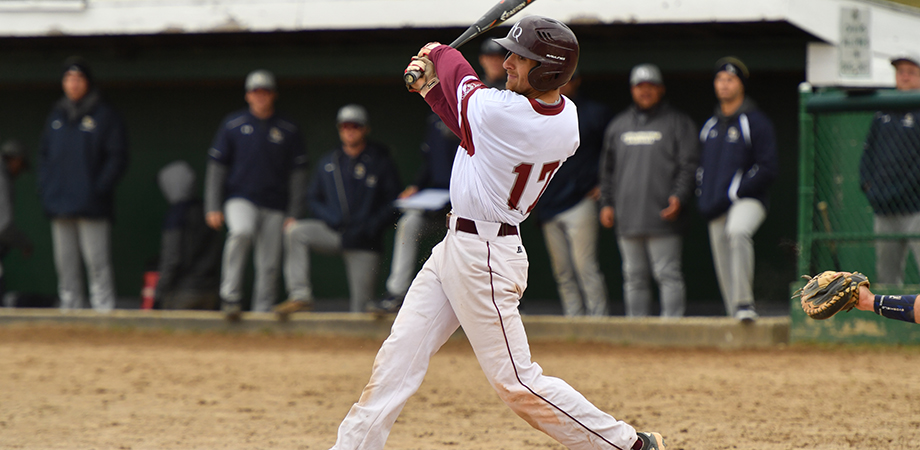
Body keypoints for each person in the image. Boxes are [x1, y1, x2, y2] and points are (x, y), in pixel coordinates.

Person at [327, 16, 666, 450]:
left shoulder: (504, 111)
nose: (507, 63)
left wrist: (438, 52)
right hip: (459, 247)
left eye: (519, 58)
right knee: (397, 358)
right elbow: (471, 129)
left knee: (517, 383)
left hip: (484, 256)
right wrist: (431, 90)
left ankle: (627, 445)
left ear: (547, 70)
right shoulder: (564, 117)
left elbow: (464, 85)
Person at [275, 104, 401, 316]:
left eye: (355, 126)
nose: (350, 131)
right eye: (345, 126)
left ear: (365, 129)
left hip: (364, 240)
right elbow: (313, 198)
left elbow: (394, 203)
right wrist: (331, 218)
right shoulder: (329, 161)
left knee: (362, 310)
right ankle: (300, 295)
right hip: (333, 232)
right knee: (295, 231)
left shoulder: (380, 161)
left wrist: (370, 227)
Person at [204, 69, 308, 320]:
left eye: (265, 92)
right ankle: (230, 296)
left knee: (269, 262)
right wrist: (212, 206)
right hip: (240, 197)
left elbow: (298, 173)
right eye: (255, 92)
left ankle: (262, 313)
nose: (260, 96)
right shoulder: (233, 124)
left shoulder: (288, 128)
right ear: (248, 95)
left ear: (273, 95)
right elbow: (217, 167)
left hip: (275, 202)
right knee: (241, 232)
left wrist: (294, 211)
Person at [599, 64, 699, 318]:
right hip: (627, 218)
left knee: (667, 274)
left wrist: (679, 197)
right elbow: (607, 170)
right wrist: (606, 204)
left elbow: (689, 166)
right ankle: (636, 333)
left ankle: (671, 331)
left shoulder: (678, 123)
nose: (645, 91)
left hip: (664, 216)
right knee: (633, 277)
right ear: (632, 90)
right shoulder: (618, 125)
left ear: (661, 89)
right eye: (639, 86)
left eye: (650, 86)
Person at [38, 56, 128, 312]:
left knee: (96, 262)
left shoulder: (105, 115)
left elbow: (118, 157)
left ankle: (103, 311)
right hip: (59, 202)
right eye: (68, 79)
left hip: (92, 203)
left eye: (78, 78)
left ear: (87, 82)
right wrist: (47, 189)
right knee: (65, 263)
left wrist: (99, 188)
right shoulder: (55, 116)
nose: (73, 84)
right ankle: (70, 309)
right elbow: (44, 156)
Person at [697, 57, 778, 322]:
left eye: (730, 80)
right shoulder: (709, 126)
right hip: (716, 203)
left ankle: (744, 303)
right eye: (720, 79)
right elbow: (701, 168)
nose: (724, 84)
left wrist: (736, 191)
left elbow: (768, 167)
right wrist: (705, 196)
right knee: (721, 254)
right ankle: (734, 313)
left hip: (748, 199)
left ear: (741, 85)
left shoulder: (755, 121)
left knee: (738, 231)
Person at [535, 71, 611, 317]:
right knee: (563, 271)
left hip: (581, 200)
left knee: (585, 266)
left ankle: (598, 323)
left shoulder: (594, 112)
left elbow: (612, 152)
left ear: (577, 81)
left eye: (567, 79)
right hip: (549, 202)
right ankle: (574, 323)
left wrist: (603, 183)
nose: (562, 84)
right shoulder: (538, 113)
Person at [372, 112, 458, 313]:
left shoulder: (474, 110)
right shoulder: (435, 118)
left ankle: (501, 296)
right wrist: (416, 186)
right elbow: (430, 163)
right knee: (408, 223)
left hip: (468, 202)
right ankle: (397, 292)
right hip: (438, 202)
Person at [859, 52, 920, 285]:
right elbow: (867, 154)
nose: (904, 76)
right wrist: (869, 187)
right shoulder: (882, 113)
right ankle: (890, 311)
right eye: (900, 72)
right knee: (887, 278)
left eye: (911, 72)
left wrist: (900, 190)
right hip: (884, 208)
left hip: (916, 208)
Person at [154, 161, 223, 310]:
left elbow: (172, 259)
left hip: (182, 294)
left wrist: (158, 296)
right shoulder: (208, 212)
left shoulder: (176, 216)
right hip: (211, 293)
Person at [0, 139, 34, 301]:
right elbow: (4, 226)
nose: (19, 171)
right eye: (20, 165)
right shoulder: (2, 179)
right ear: (16, 160)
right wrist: (23, 243)